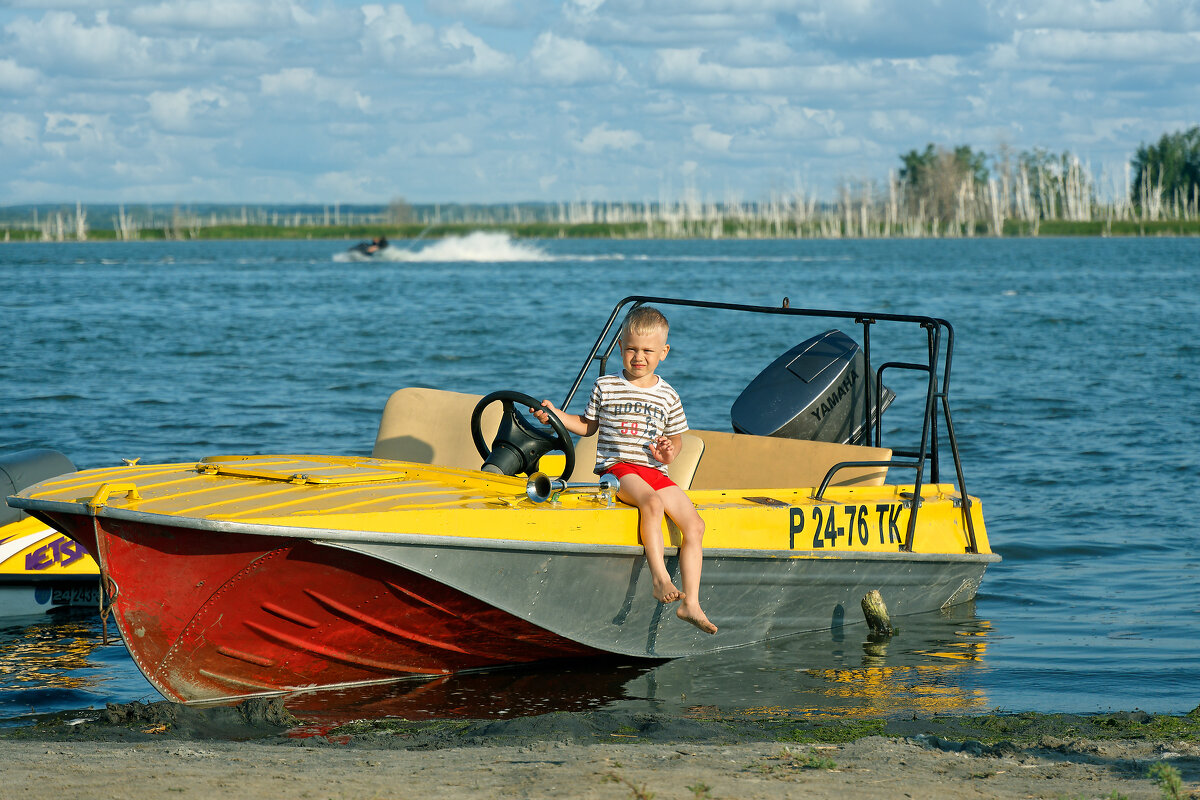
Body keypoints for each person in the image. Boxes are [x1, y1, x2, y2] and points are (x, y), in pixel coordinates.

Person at [535, 306, 717, 634]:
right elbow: (588, 426)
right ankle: (660, 578)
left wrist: (668, 450)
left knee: (695, 525)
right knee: (652, 504)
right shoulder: (606, 386)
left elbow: (674, 443)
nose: (638, 357)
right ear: (620, 347)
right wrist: (557, 415)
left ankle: (691, 604)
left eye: (648, 351)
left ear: (663, 353)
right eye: (631, 349)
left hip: (654, 472)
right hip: (617, 468)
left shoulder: (668, 395)